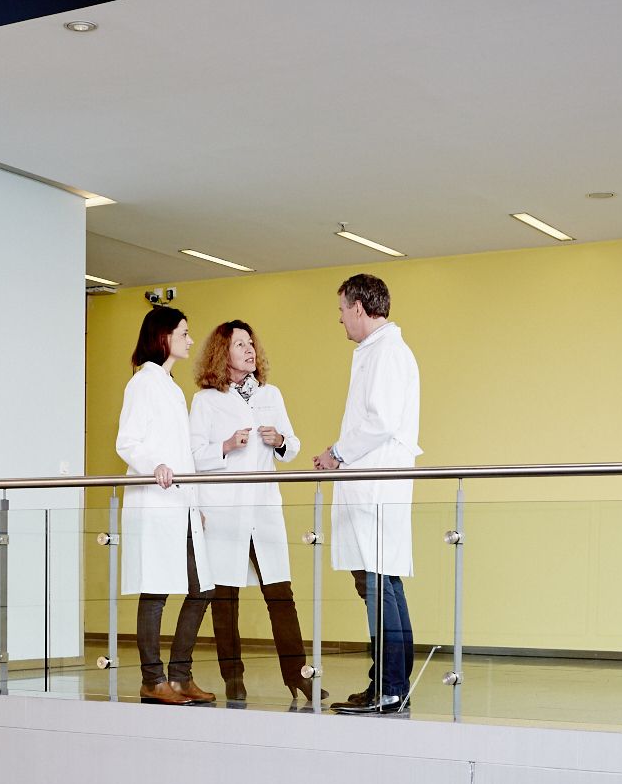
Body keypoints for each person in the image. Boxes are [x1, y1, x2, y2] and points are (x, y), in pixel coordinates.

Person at [189, 320, 321, 706]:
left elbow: (292, 445)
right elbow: (193, 456)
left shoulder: (270, 394)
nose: (249, 350)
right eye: (240, 345)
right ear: (222, 353)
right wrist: (226, 445)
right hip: (224, 511)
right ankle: (233, 679)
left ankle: (298, 677)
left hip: (263, 509)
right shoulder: (205, 400)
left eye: (251, 343)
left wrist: (279, 440)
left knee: (280, 593)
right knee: (225, 598)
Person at [314, 274, 421, 714]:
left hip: (376, 484)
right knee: (384, 582)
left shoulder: (386, 353)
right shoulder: (381, 351)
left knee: (379, 584)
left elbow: (380, 421)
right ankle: (390, 684)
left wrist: (337, 453)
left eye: (342, 310)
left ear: (358, 307)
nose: (340, 319)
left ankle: (390, 687)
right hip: (374, 484)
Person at [116, 306, 217, 704]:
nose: (190, 340)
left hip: (181, 503)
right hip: (156, 501)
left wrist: (196, 502)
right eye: (184, 333)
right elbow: (127, 441)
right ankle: (152, 680)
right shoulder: (143, 383)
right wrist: (152, 464)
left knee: (201, 588)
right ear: (164, 337)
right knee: (156, 591)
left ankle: (179, 676)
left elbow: (184, 454)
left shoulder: (172, 387)